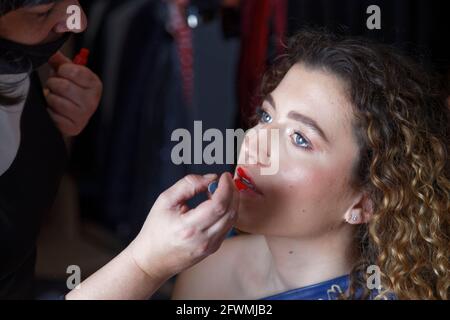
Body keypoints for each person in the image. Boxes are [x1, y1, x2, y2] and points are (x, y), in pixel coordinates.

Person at [173, 30, 450, 300]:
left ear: (366, 202)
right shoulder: (207, 267)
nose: (253, 142)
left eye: (300, 138)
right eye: (266, 117)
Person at [0, 0, 239, 299]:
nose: (78, 22)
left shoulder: (26, 62)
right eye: (43, 12)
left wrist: (51, 128)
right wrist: (145, 264)